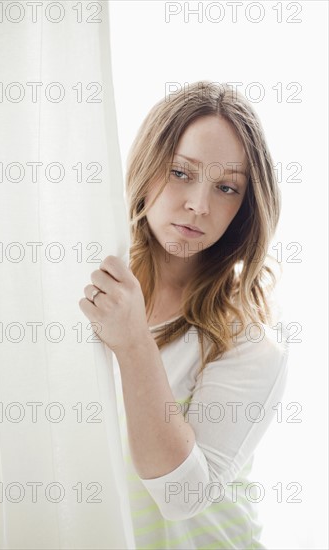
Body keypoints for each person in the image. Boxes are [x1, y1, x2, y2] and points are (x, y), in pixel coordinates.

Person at [79, 81, 290, 549]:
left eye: (226, 187)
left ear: (245, 206)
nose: (199, 203)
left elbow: (182, 495)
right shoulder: (87, 284)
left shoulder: (247, 341)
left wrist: (133, 343)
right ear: (148, 164)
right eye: (180, 172)